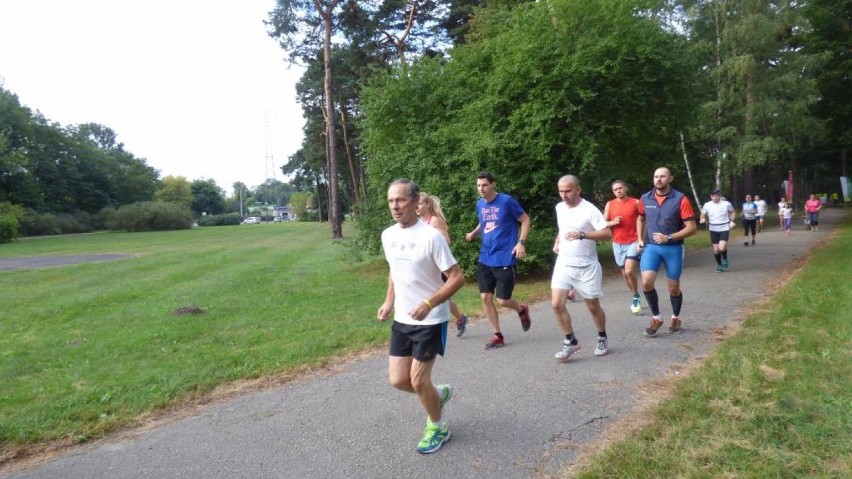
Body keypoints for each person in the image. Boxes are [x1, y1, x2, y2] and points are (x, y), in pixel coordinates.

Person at [378, 179, 464, 454]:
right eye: (391, 201)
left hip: (430, 318)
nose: (395, 206)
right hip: (403, 319)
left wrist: (429, 302)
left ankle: (438, 427)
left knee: (417, 380)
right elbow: (394, 269)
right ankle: (437, 395)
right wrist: (389, 300)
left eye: (401, 200)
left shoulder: (431, 237)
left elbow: (457, 278)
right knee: (398, 380)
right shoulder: (388, 235)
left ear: (415, 203)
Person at [464, 171, 532, 350]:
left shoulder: (506, 201)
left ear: (493, 184)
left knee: (502, 300)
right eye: (478, 186)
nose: (481, 189)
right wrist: (474, 233)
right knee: (485, 297)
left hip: (504, 257)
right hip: (485, 256)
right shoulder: (480, 204)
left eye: (484, 185)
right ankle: (497, 335)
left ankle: (521, 310)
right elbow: (484, 223)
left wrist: (521, 243)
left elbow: (525, 220)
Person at [550, 175, 612, 361]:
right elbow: (563, 228)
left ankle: (602, 337)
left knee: (593, 307)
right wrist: (557, 241)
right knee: (556, 304)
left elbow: (607, 233)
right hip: (564, 263)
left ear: (578, 189)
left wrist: (582, 234)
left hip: (586, 266)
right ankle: (570, 341)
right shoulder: (560, 207)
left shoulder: (589, 209)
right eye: (561, 191)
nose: (564, 195)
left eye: (568, 191)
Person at [636, 167, 697, 337]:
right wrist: (639, 239)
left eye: (662, 176)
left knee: (673, 286)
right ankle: (656, 318)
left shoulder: (680, 199)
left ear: (670, 178)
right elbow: (640, 218)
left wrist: (669, 237)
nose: (658, 179)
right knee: (647, 282)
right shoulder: (645, 198)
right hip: (651, 247)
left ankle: (676, 317)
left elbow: (691, 228)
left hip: (673, 248)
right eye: (656, 176)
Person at [417, 192, 469, 337]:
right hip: (428, 266)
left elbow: (446, 240)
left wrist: (431, 248)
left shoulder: (434, 221)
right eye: (415, 204)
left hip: (440, 266)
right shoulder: (419, 223)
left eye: (420, 203)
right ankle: (459, 319)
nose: (417, 207)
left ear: (427, 204)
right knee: (438, 297)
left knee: (441, 297)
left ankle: (457, 319)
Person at [602, 179, 642, 314]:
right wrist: (612, 222)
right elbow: (602, 223)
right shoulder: (610, 204)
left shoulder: (636, 202)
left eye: (620, 188)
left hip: (634, 241)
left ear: (626, 188)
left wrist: (642, 239)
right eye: (615, 189)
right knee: (625, 274)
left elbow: (643, 221)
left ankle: (636, 298)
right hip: (617, 243)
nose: (618, 191)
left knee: (629, 271)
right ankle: (635, 294)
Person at [699, 189, 736, 272]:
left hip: (724, 227)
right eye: (714, 195)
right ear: (711, 196)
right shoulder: (707, 205)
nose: (715, 197)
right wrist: (702, 218)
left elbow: (733, 212)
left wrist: (732, 221)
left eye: (717, 195)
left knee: (722, 248)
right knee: (716, 249)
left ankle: (725, 257)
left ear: (720, 196)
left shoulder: (726, 204)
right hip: (713, 228)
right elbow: (703, 214)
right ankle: (719, 265)